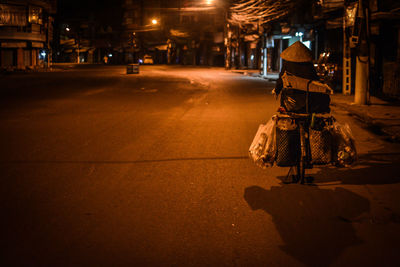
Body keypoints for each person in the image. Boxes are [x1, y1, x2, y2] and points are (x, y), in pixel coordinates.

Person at [273, 41, 331, 114]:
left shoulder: (287, 64)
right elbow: (315, 80)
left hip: (289, 101)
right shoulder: (309, 65)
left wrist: (277, 90)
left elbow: (281, 79)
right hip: (307, 101)